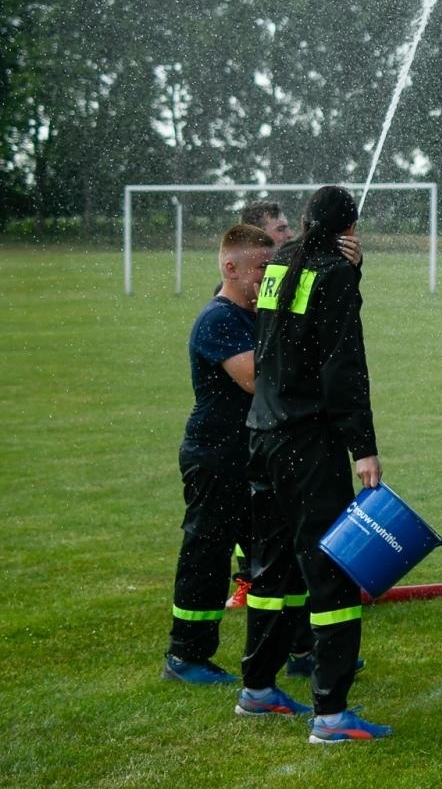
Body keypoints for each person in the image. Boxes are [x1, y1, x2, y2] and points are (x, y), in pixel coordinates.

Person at [237, 185, 390, 743]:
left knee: (271, 569)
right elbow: (343, 363)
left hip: (262, 434)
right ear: (348, 230)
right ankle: (331, 715)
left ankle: (257, 688)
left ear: (304, 222)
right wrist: (363, 446)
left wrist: (354, 272)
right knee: (331, 575)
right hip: (307, 443)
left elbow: (294, 332)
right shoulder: (334, 272)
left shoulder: (280, 262)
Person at [162, 224, 276, 687]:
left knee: (273, 553)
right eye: (261, 269)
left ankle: (299, 648)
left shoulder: (256, 314)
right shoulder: (219, 319)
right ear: (231, 267)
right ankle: (185, 656)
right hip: (214, 456)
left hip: (249, 456)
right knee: (207, 554)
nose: (268, 277)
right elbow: (255, 380)